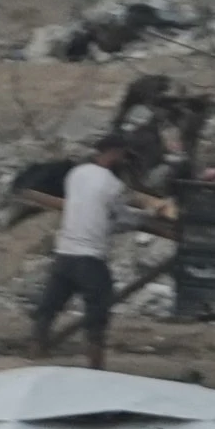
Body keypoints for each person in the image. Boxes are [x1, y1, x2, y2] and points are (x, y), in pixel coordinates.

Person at [30, 147, 134, 366]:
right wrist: (144, 218)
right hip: (90, 257)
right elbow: (124, 219)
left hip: (64, 253)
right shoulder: (114, 185)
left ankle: (37, 348)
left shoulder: (76, 174)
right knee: (99, 306)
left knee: (50, 305)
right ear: (115, 158)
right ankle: (95, 361)